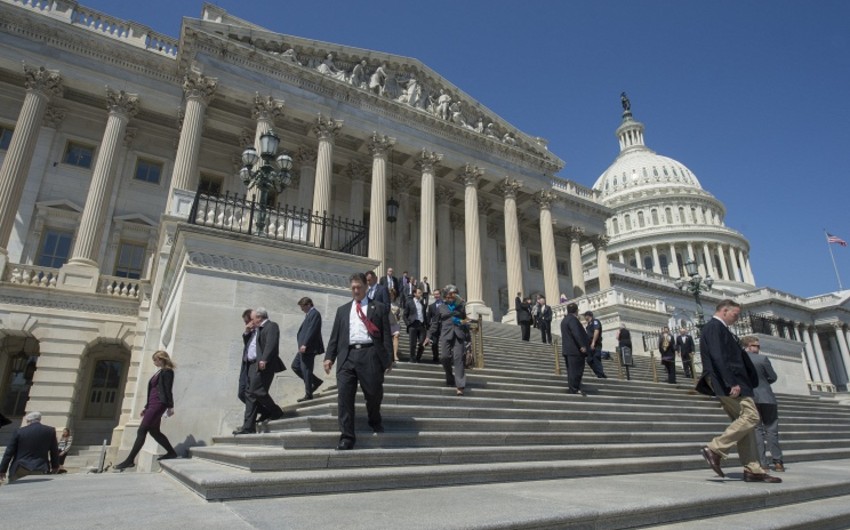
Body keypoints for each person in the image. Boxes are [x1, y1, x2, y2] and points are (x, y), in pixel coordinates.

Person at [698, 299, 782, 483]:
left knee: (746, 426)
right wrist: (731, 382)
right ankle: (715, 448)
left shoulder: (720, 329)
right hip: (728, 382)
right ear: (724, 310)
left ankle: (753, 469)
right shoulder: (714, 327)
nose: (737, 318)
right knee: (752, 416)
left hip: (731, 381)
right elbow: (718, 357)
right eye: (735, 314)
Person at [323, 272, 393, 450]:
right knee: (344, 397)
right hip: (347, 356)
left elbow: (385, 335)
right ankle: (347, 436)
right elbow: (335, 336)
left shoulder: (379, 308)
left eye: (359, 287)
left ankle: (374, 418)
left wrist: (387, 359)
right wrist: (329, 357)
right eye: (353, 288)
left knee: (373, 393)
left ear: (366, 287)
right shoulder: (343, 310)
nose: (355, 290)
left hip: (370, 354)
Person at [115, 351, 178, 470]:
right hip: (152, 404)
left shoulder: (167, 371)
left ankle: (130, 460)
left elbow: (168, 389)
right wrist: (146, 407)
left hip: (159, 404)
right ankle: (171, 452)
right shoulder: (159, 372)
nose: (154, 362)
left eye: (155, 360)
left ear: (161, 359)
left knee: (142, 430)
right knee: (154, 432)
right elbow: (152, 392)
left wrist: (170, 406)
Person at [233, 309, 286, 435]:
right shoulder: (256, 330)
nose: (251, 322)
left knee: (257, 391)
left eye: (253, 319)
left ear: (259, 317)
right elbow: (249, 346)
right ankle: (248, 427)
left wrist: (264, 359)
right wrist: (247, 331)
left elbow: (271, 344)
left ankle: (275, 410)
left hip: (262, 364)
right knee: (249, 395)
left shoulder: (271, 326)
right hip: (251, 365)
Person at [742, 335, 785, 472]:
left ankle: (763, 463)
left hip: (751, 398)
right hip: (767, 397)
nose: (759, 348)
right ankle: (778, 461)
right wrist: (765, 383)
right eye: (756, 346)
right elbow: (773, 376)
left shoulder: (740, 360)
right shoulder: (763, 359)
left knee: (757, 430)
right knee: (772, 429)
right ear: (748, 346)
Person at [425, 285, 470, 396]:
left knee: (458, 359)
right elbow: (434, 323)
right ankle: (450, 376)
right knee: (445, 358)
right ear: (446, 296)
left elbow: (465, 321)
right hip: (445, 335)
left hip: (459, 335)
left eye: (454, 294)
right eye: (450, 294)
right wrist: (428, 336)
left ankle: (460, 386)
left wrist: (468, 338)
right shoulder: (441, 307)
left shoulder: (460, 306)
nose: (452, 297)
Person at [0, 411, 59, 483]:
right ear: (39, 419)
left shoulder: (19, 431)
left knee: (15, 490)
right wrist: (55, 466)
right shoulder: (50, 431)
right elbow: (54, 450)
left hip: (20, 468)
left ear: (28, 421)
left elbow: (9, 452)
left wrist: (2, 470)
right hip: (40, 467)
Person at [292, 297, 325, 403]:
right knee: (295, 366)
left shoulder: (315, 314)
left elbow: (312, 330)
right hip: (303, 348)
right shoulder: (309, 315)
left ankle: (308, 394)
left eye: (303, 307)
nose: (302, 309)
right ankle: (315, 382)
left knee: (306, 369)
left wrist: (305, 344)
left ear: (309, 304)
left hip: (308, 348)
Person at [560, 303, 590, 395]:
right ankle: (575, 388)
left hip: (567, 349)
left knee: (571, 370)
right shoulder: (573, 320)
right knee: (577, 370)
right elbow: (576, 333)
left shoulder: (564, 320)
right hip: (575, 350)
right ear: (576, 311)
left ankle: (573, 388)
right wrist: (582, 345)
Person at [404, 287, 428, 363]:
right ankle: (412, 358)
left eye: (421, 292)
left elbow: (424, 314)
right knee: (412, 343)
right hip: (413, 324)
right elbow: (404, 315)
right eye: (419, 292)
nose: (420, 294)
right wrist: (408, 324)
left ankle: (418, 358)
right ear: (414, 294)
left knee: (422, 342)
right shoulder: (409, 302)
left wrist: (426, 324)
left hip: (421, 324)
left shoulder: (422, 303)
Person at [583, 311, 608, 378]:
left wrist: (593, 342)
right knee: (589, 360)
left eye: (585, 316)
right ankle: (599, 373)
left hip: (596, 344)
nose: (584, 317)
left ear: (588, 316)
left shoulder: (595, 321)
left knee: (596, 358)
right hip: (589, 344)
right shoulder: (588, 325)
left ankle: (601, 374)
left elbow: (596, 331)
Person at [426, 289, 443, 363]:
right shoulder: (431, 306)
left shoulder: (445, 304)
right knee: (435, 343)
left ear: (440, 294)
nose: (436, 296)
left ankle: (446, 357)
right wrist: (429, 327)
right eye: (435, 294)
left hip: (444, 326)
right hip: (435, 327)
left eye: (437, 294)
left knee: (445, 342)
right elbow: (428, 317)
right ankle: (435, 357)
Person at [388, 289, 402, 365]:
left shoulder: (397, 304)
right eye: (390, 294)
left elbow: (399, 314)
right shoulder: (385, 303)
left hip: (395, 323)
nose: (391, 296)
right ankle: (389, 354)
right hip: (387, 323)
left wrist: (398, 315)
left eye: (392, 294)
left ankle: (395, 355)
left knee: (396, 336)